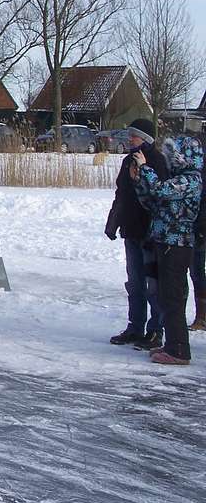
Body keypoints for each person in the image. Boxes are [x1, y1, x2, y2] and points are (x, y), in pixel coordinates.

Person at [134, 135, 202, 365]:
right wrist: (139, 181)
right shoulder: (178, 178)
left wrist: (145, 168)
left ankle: (179, 350)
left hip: (177, 244)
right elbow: (153, 200)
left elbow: (162, 190)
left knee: (173, 296)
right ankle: (173, 343)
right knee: (165, 295)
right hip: (163, 241)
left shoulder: (192, 180)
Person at [105, 119, 167, 346]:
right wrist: (113, 222)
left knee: (153, 286)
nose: (130, 139)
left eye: (135, 136)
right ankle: (135, 327)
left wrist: (144, 170)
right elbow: (121, 195)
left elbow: (159, 195)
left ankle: (155, 330)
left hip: (150, 233)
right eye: (129, 135)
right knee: (135, 284)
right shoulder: (126, 161)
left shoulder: (158, 161)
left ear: (146, 139)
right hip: (130, 230)